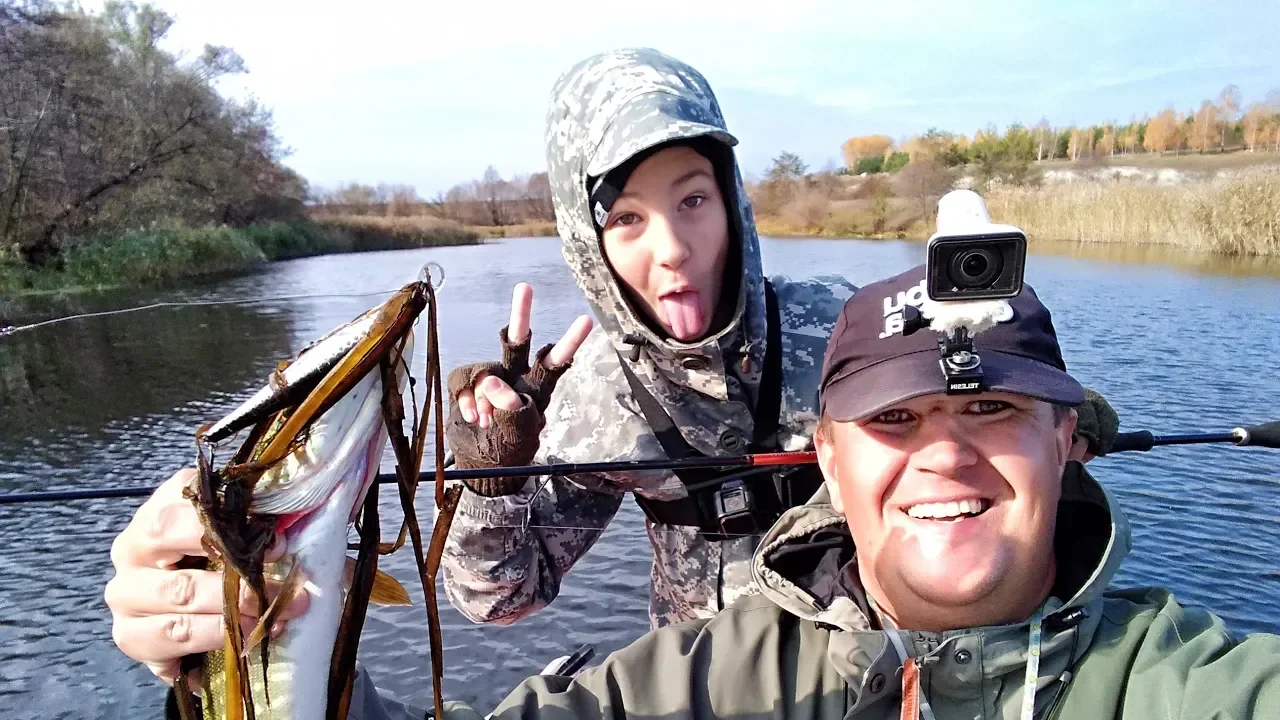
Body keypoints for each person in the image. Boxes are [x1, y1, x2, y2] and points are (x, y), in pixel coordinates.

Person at [414, 262, 1277, 720]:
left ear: (1065, 440)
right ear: (827, 456)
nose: (946, 454)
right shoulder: (703, 681)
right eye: (894, 418)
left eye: (990, 408)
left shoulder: (1177, 681)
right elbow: (497, 599)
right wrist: (490, 479)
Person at [437, 46, 859, 631]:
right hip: (698, 677)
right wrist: (493, 480)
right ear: (590, 243)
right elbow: (498, 599)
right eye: (627, 218)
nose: (673, 250)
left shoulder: (848, 329)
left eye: (694, 201)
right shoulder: (599, 393)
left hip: (866, 669)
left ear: (731, 203)